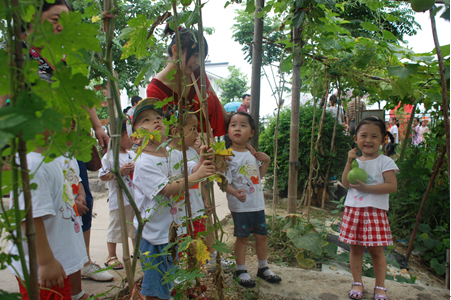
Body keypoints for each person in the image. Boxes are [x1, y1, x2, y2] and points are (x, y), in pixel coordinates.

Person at [130, 98, 217, 300]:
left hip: (173, 233)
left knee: (168, 278)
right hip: (153, 236)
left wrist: (202, 160)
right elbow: (167, 189)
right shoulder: (144, 162)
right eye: (146, 120)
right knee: (155, 285)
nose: (155, 121)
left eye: (159, 117)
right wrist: (197, 175)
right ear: (135, 137)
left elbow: (190, 171)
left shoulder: (173, 154)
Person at [7, 140, 89, 300]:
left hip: (56, 262)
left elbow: (70, 183)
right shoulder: (33, 165)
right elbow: (29, 216)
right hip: (44, 271)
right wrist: (46, 262)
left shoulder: (54, 155)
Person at [167, 111, 234, 273]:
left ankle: (206, 262)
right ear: (177, 132)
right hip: (181, 211)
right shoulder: (169, 155)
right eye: (193, 129)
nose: (197, 133)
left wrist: (206, 198)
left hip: (196, 206)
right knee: (184, 243)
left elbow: (199, 177)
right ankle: (186, 274)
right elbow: (189, 177)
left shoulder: (191, 151)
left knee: (200, 236)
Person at [340, 117, 398, 300]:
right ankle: (357, 283)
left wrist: (367, 189)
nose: (368, 140)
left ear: (383, 140)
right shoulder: (355, 161)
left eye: (374, 136)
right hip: (354, 211)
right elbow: (345, 183)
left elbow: (391, 186)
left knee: (376, 252)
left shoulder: (385, 162)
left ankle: (380, 287)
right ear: (356, 139)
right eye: (363, 136)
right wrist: (349, 161)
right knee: (355, 250)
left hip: (375, 212)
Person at [225, 112, 282, 288]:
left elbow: (256, 177)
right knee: (242, 238)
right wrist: (235, 193)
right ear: (228, 130)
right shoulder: (227, 156)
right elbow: (223, 182)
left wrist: (266, 162)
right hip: (241, 206)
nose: (237, 128)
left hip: (257, 204)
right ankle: (240, 270)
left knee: (261, 236)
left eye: (243, 125)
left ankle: (263, 268)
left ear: (251, 132)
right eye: (233, 125)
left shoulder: (252, 154)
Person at [146, 25, 227, 138]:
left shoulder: (198, 73)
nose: (198, 62)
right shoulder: (156, 89)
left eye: (201, 57)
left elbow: (217, 104)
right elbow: (164, 132)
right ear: (175, 50)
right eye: (195, 55)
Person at [99, 118, 136, 270]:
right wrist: (118, 172)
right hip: (119, 199)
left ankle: (137, 250)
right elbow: (102, 176)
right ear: (118, 136)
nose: (133, 138)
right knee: (116, 227)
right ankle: (111, 255)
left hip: (133, 199)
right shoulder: (109, 157)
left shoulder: (132, 155)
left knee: (134, 226)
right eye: (129, 135)